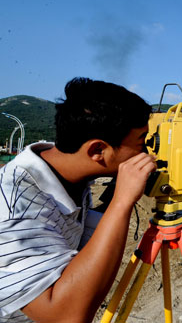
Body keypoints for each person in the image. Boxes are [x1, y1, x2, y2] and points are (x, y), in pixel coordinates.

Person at [0, 77, 157, 323]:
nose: (147, 153)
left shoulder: (65, 168)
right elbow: (66, 318)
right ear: (97, 151)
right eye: (141, 143)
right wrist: (121, 201)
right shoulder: (15, 209)